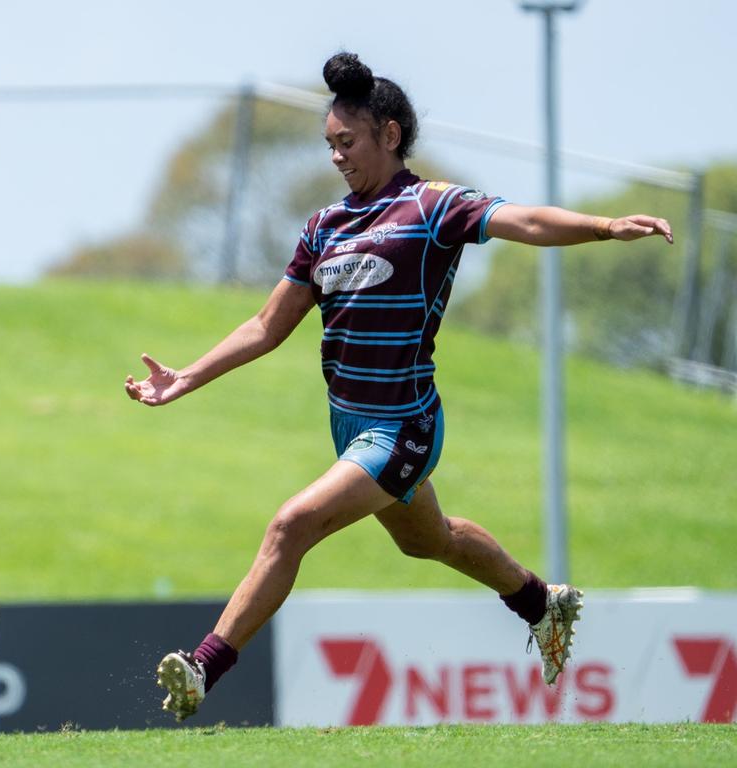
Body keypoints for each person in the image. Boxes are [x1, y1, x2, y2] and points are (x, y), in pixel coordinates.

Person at [125, 52, 673, 722]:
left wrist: (605, 227)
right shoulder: (323, 227)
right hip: (350, 427)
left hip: (404, 426)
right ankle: (539, 602)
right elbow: (269, 325)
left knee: (290, 525)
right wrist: (187, 376)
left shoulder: (433, 206)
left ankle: (204, 668)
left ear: (389, 134)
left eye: (346, 142)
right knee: (428, 540)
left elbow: (522, 221)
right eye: (329, 145)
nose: (336, 156)